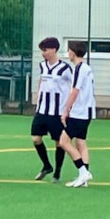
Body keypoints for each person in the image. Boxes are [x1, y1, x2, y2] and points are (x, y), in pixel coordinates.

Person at [31, 37, 72, 181]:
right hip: (42, 110)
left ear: (54, 50)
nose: (43, 53)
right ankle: (47, 165)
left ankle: (57, 173)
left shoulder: (65, 68)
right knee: (36, 138)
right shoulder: (42, 65)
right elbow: (41, 81)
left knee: (59, 142)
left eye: (45, 50)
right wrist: (37, 100)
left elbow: (74, 86)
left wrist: (69, 108)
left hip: (58, 112)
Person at [59, 41, 96, 187]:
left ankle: (83, 172)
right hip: (86, 111)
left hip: (79, 112)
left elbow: (75, 91)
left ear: (73, 52)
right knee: (81, 143)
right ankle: (84, 178)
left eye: (69, 51)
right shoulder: (86, 68)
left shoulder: (80, 69)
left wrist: (66, 110)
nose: (68, 53)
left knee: (63, 142)